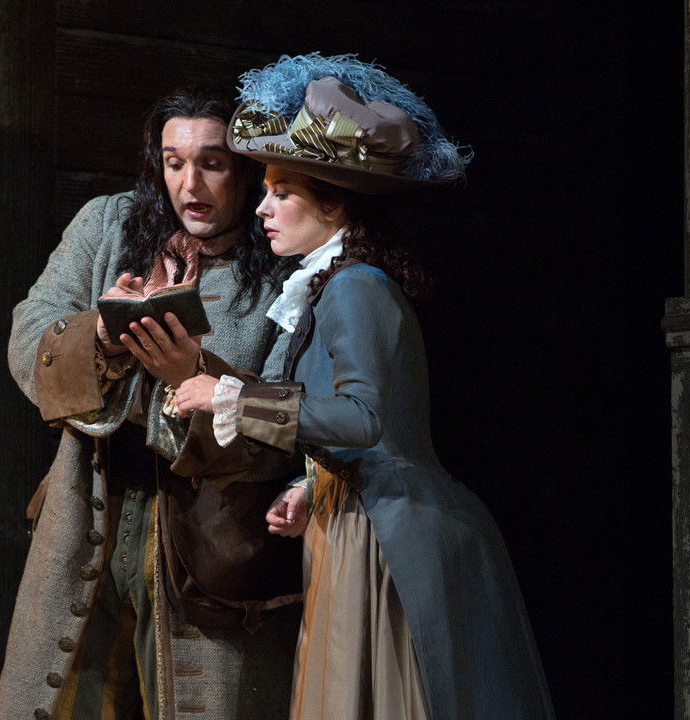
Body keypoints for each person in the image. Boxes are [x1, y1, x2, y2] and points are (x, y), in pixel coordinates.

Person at [173, 54, 556, 720]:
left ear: (333, 202)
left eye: (282, 192)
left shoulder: (356, 286)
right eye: (266, 190)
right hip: (353, 518)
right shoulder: (334, 284)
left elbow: (365, 418)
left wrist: (227, 396)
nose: (263, 208)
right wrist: (311, 486)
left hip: (389, 532)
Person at [0, 86, 301, 720]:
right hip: (91, 507)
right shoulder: (108, 224)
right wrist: (101, 337)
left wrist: (195, 374)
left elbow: (287, 417)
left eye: (212, 163)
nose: (191, 184)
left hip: (210, 534)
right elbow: (29, 333)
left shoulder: (281, 260)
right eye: (174, 162)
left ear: (245, 170)